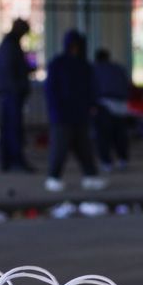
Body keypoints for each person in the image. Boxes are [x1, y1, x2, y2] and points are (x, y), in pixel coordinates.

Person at [43, 29, 105, 193]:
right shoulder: (58, 64)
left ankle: (90, 176)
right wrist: (55, 110)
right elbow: (51, 90)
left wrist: (92, 105)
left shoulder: (83, 66)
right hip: (63, 115)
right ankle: (53, 177)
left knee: (84, 147)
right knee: (60, 147)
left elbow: (91, 88)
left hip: (80, 114)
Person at [0, 18, 34, 173]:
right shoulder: (10, 45)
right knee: (13, 128)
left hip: (9, 92)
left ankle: (7, 161)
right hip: (12, 93)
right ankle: (15, 160)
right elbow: (11, 70)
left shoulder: (9, 44)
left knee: (8, 128)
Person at [91, 48, 136, 171]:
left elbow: (92, 88)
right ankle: (123, 160)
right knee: (120, 135)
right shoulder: (118, 68)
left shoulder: (95, 69)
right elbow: (128, 86)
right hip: (121, 106)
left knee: (104, 136)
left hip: (104, 104)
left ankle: (106, 162)